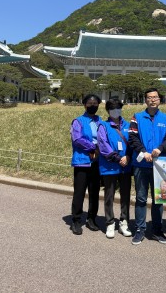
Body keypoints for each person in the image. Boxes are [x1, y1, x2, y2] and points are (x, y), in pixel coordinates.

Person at [128, 88, 166, 245]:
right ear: (145, 100)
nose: (152, 100)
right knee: (141, 198)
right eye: (149, 97)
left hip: (159, 165)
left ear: (160, 99)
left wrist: (160, 149)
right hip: (141, 164)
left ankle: (157, 230)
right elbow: (132, 137)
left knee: (158, 199)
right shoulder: (137, 117)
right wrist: (143, 151)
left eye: (155, 97)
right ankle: (139, 229)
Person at [97, 98, 133, 239]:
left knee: (125, 196)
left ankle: (124, 222)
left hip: (125, 167)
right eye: (112, 108)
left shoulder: (128, 125)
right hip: (110, 167)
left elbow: (133, 143)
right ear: (108, 110)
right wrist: (118, 158)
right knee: (109, 196)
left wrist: (128, 156)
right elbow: (103, 145)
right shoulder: (103, 125)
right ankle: (110, 223)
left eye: (118, 107)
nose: (115, 110)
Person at [69, 94, 103, 235]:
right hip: (82, 162)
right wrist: (93, 147)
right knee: (79, 192)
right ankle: (76, 220)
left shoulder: (100, 121)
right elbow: (77, 139)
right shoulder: (78, 121)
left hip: (97, 162)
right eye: (89, 103)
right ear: (84, 105)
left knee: (94, 192)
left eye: (95, 103)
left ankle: (91, 219)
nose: (92, 105)